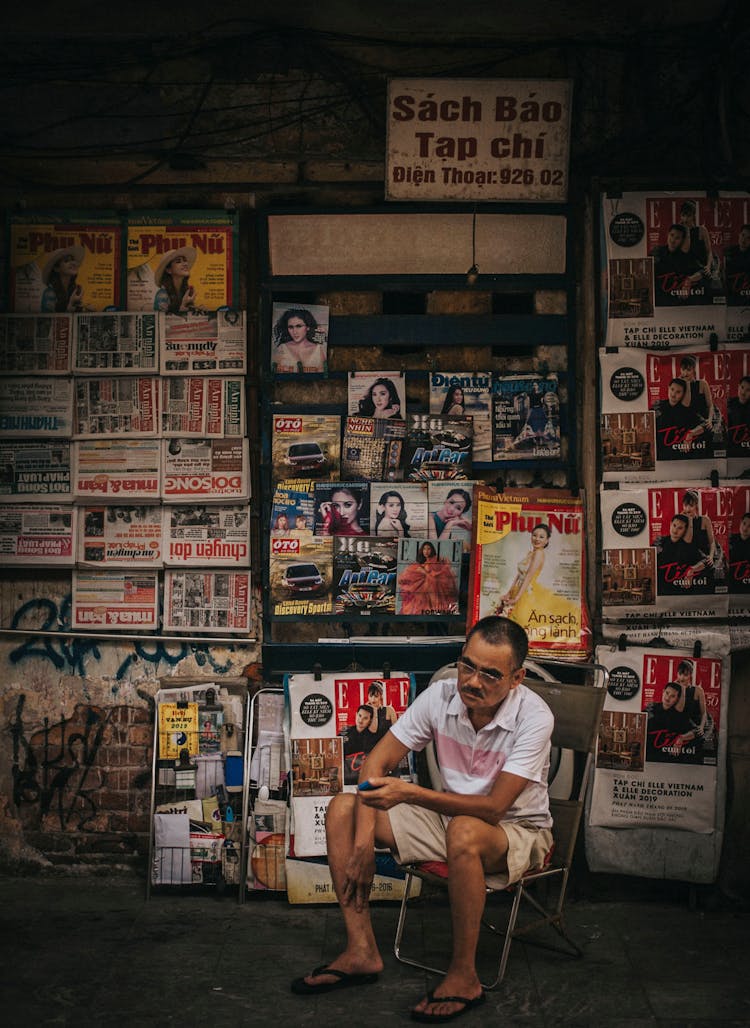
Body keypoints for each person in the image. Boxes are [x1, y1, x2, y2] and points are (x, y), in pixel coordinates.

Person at [290, 616, 554, 1022]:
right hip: (448, 820)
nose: (472, 681)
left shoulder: (534, 717)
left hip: (516, 833)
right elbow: (375, 764)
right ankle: (361, 950)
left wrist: (411, 792)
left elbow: (495, 809)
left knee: (466, 830)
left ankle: (465, 976)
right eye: (467, 665)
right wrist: (363, 843)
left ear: (517, 677)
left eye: (490, 674)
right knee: (343, 809)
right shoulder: (441, 697)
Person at [652, 378, 708, 461]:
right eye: (672, 389)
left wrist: (690, 434)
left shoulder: (686, 410)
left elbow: (705, 424)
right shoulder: (657, 405)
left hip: (679, 456)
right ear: (668, 388)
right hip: (660, 456)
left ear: (683, 394)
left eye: (678, 392)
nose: (673, 394)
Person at [397, 541, 459, 615]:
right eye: (424, 549)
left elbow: (439, 576)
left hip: (434, 590)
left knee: (430, 582)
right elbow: (404, 578)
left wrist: (425, 572)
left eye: (429, 549)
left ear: (432, 550)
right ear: (422, 550)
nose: (426, 551)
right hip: (423, 591)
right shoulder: (418, 565)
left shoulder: (436, 562)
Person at [655, 513, 711, 594]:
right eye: (674, 525)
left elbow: (706, 561)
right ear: (670, 524)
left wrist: (692, 570)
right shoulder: (659, 541)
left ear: (685, 530)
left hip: (682, 591)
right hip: (663, 591)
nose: (675, 530)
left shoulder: (689, 545)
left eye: (680, 528)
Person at [650, 224, 704, 304]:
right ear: (668, 235)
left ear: (682, 240)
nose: (672, 240)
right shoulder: (657, 251)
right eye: (671, 235)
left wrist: (689, 280)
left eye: (677, 238)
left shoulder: (686, 256)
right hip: (659, 300)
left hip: (678, 301)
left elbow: (703, 272)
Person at [645, 683, 698, 763]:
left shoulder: (681, 715)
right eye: (667, 693)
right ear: (663, 691)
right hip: (650, 757)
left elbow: (697, 731)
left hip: (670, 759)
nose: (667, 698)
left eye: (673, 696)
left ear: (677, 699)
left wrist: (681, 738)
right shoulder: (651, 708)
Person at [272, 307, 326, 372]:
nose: (295, 332)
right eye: (291, 327)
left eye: (299, 326)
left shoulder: (318, 349)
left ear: (308, 327)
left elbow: (322, 378)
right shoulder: (282, 348)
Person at [674, 659, 711, 754]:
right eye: (680, 674)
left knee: (700, 731)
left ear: (690, 675)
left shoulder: (698, 690)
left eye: (685, 675)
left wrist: (702, 726)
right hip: (679, 724)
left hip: (693, 726)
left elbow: (704, 713)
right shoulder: (673, 688)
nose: (681, 678)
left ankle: (682, 738)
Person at [41, 246, 85, 312]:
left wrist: (85, 309)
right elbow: (48, 319)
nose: (73, 263)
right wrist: (70, 305)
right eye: (66, 261)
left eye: (72, 260)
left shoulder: (75, 289)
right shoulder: (50, 293)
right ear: (56, 268)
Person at [153, 247, 196, 314]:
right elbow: (161, 321)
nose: (185, 264)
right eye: (178, 261)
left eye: (185, 260)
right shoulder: (162, 295)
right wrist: (182, 308)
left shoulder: (186, 290)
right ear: (169, 270)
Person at [680, 490, 716, 569]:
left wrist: (711, 556)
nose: (688, 508)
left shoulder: (705, 520)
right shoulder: (681, 522)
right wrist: (686, 520)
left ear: (696, 505)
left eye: (691, 505)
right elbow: (683, 544)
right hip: (688, 559)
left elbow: (712, 542)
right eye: (685, 505)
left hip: (704, 558)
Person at [678, 200, 713, 278]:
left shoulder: (702, 230)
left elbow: (709, 252)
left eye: (689, 216)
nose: (685, 219)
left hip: (701, 269)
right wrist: (685, 230)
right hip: (685, 271)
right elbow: (681, 253)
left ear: (693, 216)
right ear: (680, 215)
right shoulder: (679, 233)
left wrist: (708, 266)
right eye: (683, 215)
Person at [678, 356, 714, 427]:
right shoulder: (678, 386)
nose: (685, 373)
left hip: (702, 421)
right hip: (686, 423)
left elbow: (710, 405)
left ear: (693, 370)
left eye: (688, 370)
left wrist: (710, 420)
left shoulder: (702, 384)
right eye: (683, 369)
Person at [724, 224, 750, 304]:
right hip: (732, 297)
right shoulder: (729, 252)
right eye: (743, 235)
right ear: (739, 235)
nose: (744, 240)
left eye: (749, 238)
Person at [727, 375, 750, 455]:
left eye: (748, 390)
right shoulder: (729, 403)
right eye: (742, 387)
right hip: (731, 447)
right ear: (738, 387)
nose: (743, 392)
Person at [728, 512, 750, 592]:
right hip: (731, 582)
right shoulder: (730, 539)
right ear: (740, 523)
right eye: (744, 523)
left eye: (749, 526)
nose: (745, 528)